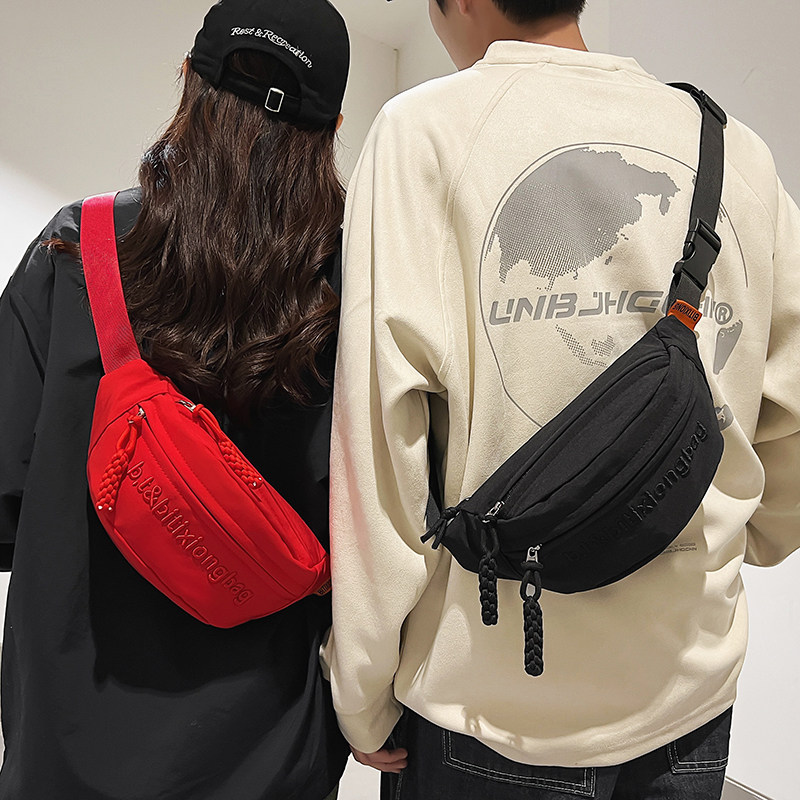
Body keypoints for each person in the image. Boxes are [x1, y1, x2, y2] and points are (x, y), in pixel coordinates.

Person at [322, 0, 800, 798]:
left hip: (490, 707)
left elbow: (380, 454)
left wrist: (362, 694)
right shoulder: (733, 150)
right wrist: (717, 545)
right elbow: (791, 419)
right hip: (689, 693)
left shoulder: (422, 133)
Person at [0, 0, 351, 797]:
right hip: (265, 751)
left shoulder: (75, 249)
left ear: (189, 78)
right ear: (330, 130)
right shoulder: (350, 290)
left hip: (68, 743)